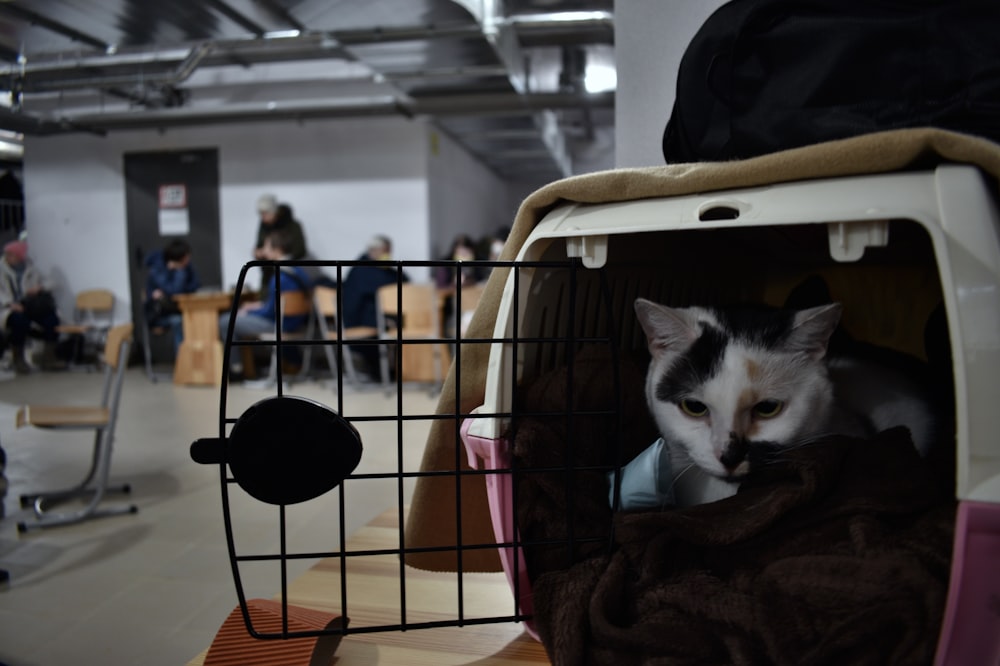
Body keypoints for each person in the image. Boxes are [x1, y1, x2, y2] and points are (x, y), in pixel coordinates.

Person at [221, 227, 311, 379]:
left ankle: (236, 369)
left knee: (226, 321)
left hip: (279, 324)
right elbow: (278, 304)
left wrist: (249, 311)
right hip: (297, 322)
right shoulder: (298, 270)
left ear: (278, 250)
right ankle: (295, 361)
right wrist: (259, 306)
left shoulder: (278, 275)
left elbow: (270, 313)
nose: (263, 251)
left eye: (267, 247)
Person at [340, 235, 408, 377]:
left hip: (369, 319)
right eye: (385, 251)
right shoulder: (363, 271)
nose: (388, 255)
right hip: (360, 322)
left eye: (389, 251)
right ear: (374, 251)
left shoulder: (379, 270)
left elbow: (403, 281)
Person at [0, 239, 64, 373]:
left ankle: (49, 358)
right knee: (19, 321)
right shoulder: (2, 270)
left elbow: (52, 282)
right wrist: (10, 303)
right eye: (8, 254)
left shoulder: (31, 269)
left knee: (52, 320)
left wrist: (39, 287)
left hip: (29, 305)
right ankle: (18, 359)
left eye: (12, 254)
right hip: (8, 308)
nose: (9, 257)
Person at [144, 238, 201, 352]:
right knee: (178, 321)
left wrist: (181, 287)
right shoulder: (157, 269)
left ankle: (195, 359)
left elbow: (196, 285)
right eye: (186, 257)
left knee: (199, 318)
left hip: (178, 308)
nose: (188, 260)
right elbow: (175, 290)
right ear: (179, 258)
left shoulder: (185, 266)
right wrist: (179, 272)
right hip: (159, 314)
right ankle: (182, 362)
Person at [253, 195, 307, 291]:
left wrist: (281, 258)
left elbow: (300, 250)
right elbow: (259, 245)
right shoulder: (264, 227)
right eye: (261, 214)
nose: (263, 217)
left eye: (265, 213)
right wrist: (259, 252)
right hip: (268, 274)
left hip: (285, 272)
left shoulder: (292, 226)